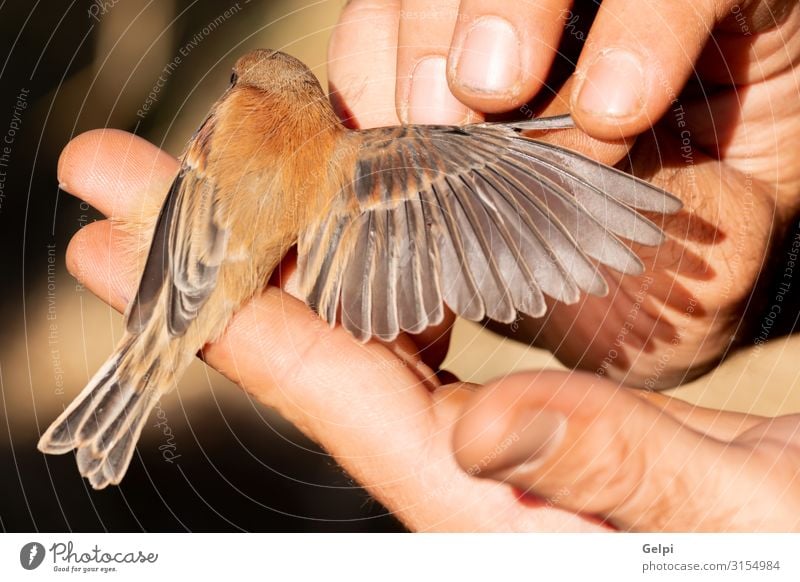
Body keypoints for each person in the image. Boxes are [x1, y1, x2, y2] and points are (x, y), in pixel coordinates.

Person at [57, 0, 800, 530]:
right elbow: (478, 172)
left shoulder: (232, 121)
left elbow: (193, 193)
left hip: (184, 272)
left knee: (152, 332)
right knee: (471, 155)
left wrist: (178, 295)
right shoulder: (359, 156)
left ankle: (120, 398)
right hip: (220, 281)